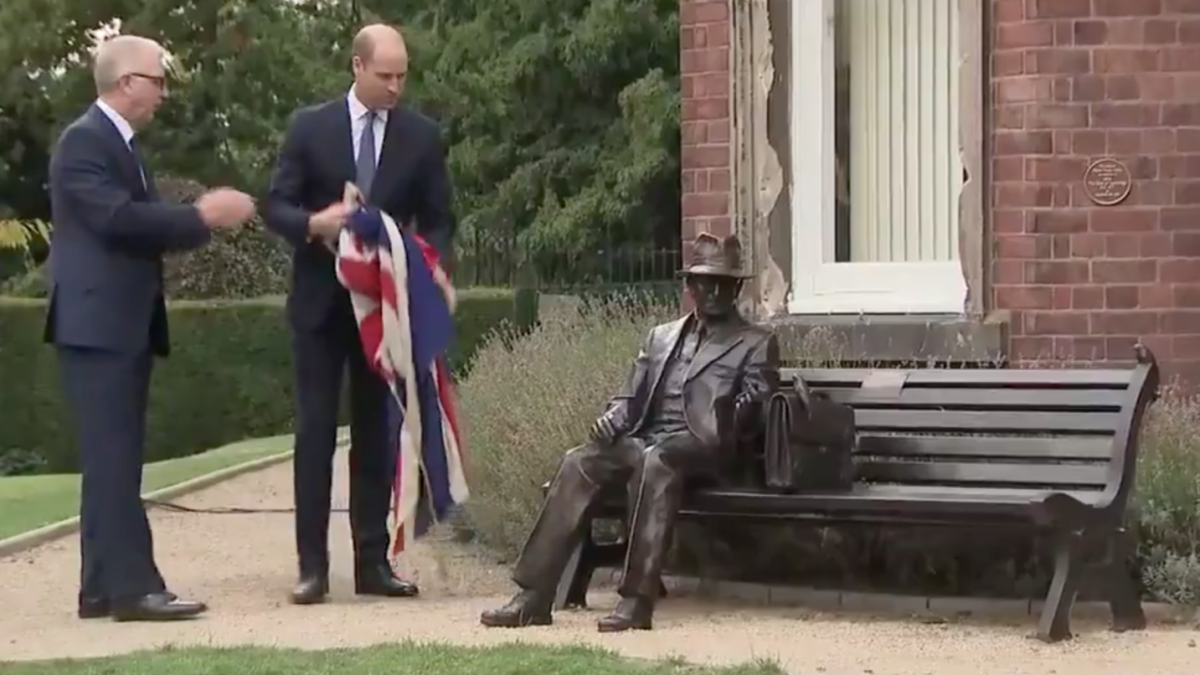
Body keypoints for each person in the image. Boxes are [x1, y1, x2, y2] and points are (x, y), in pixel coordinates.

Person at [45, 34, 257, 622]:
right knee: (114, 459)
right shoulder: (84, 142)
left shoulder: (120, 143)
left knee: (112, 459)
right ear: (125, 83)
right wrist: (201, 217)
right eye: (156, 80)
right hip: (98, 326)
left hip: (117, 324)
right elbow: (118, 221)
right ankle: (135, 588)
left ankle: (100, 587)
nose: (163, 92)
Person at [480, 232, 780, 632]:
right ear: (689, 286)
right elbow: (629, 398)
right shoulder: (661, 336)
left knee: (659, 460)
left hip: (709, 448)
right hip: (648, 442)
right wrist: (613, 419)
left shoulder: (755, 342)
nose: (714, 289)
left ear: (737, 286)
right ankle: (534, 596)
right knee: (578, 462)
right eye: (705, 281)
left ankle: (637, 601)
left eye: (724, 281)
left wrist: (733, 413)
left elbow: (758, 404)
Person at [264, 23, 455, 605]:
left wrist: (430, 265)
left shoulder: (422, 137)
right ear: (357, 67)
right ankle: (311, 568)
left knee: (378, 435)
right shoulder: (309, 127)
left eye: (403, 76)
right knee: (316, 433)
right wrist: (313, 225)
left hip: (385, 310)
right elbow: (275, 205)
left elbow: (441, 217)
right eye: (385, 75)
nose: (396, 86)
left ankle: (373, 563)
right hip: (321, 306)